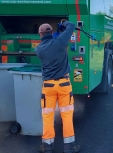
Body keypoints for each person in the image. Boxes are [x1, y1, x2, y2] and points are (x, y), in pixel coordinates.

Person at [35, 20, 81, 153]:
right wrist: (64, 23)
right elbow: (72, 26)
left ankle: (47, 147)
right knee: (66, 116)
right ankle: (69, 147)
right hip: (64, 85)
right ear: (51, 32)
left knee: (47, 117)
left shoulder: (38, 50)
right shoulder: (60, 42)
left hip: (48, 87)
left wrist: (56, 35)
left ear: (40, 35)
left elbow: (49, 44)